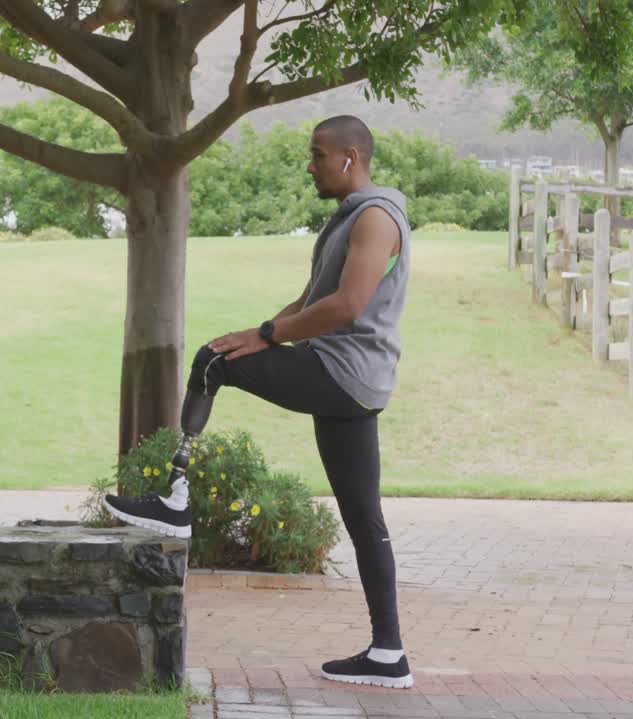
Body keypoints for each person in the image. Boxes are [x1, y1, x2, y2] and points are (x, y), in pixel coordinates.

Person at [104, 115, 413, 689]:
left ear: (351, 157)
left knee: (211, 362)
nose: (311, 165)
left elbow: (346, 306)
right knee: (365, 518)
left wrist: (268, 336)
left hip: (341, 372)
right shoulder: (354, 219)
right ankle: (389, 652)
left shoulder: (374, 218)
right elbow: (312, 299)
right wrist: (262, 331)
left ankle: (175, 499)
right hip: (352, 381)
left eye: (319, 155)